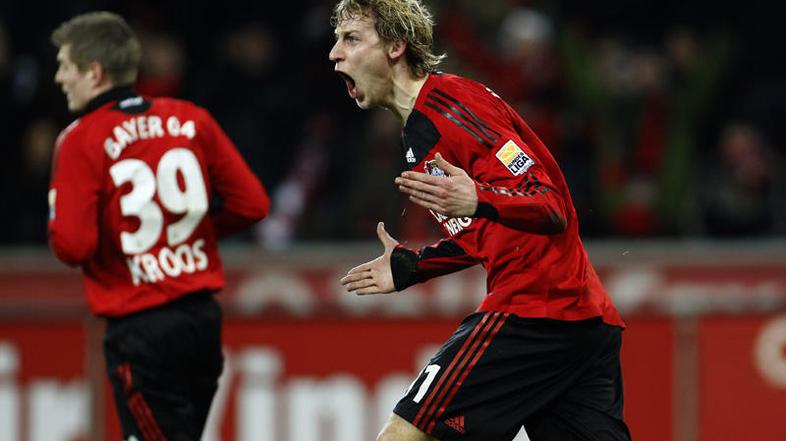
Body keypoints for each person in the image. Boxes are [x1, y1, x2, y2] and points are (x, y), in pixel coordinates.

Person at [331, 1, 631, 440]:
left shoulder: (453, 106)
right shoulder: (417, 134)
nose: (334, 53)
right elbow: (483, 234)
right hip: (580, 320)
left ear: (396, 46)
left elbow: (550, 204)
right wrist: (416, 265)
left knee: (403, 435)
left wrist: (480, 198)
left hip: (534, 311)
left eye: (351, 39)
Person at [47, 12, 269, 441]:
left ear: (94, 73)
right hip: (202, 321)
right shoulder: (191, 119)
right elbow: (253, 204)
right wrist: (184, 232)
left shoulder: (80, 138)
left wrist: (132, 240)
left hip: (141, 327)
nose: (58, 78)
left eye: (65, 66)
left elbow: (73, 246)